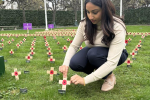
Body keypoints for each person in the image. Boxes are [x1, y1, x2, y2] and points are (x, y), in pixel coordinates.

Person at [59, 0, 128, 91]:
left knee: (94, 55)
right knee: (75, 63)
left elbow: (112, 62)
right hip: (93, 51)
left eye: (95, 12)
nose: (90, 16)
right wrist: (65, 64)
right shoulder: (84, 23)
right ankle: (101, 71)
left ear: (105, 10)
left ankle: (109, 76)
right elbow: (74, 46)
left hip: (116, 54)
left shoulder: (117, 26)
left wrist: (84, 80)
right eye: (88, 12)